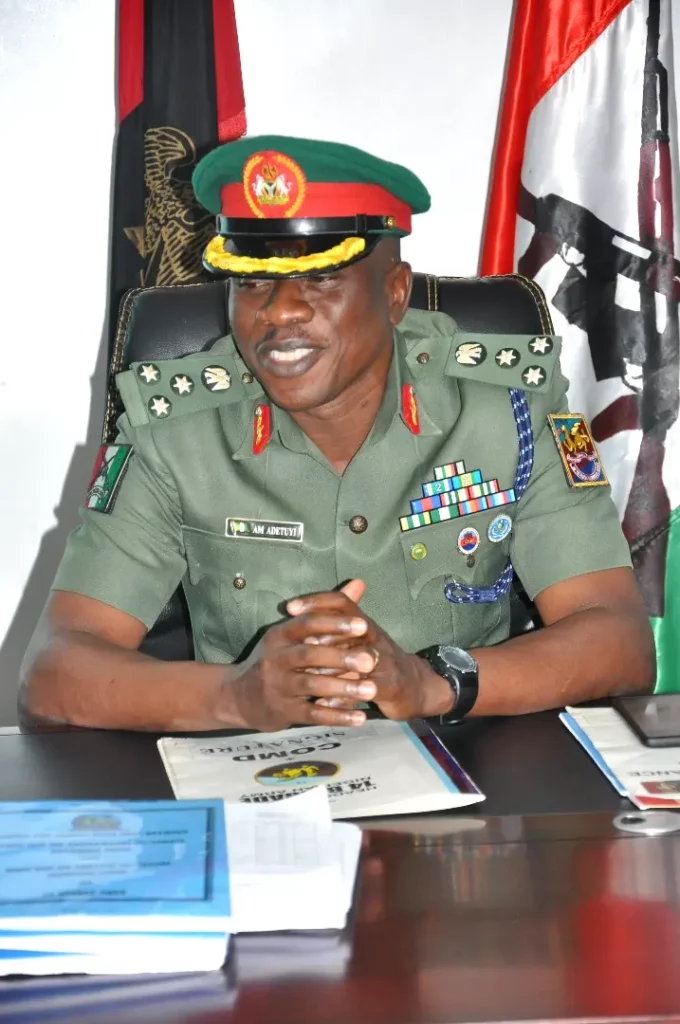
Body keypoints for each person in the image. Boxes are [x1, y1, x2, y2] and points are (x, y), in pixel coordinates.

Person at [20, 135, 655, 733]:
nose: (279, 310)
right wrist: (235, 695)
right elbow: (53, 669)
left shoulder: (508, 408)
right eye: (252, 281)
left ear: (396, 293)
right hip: (251, 771)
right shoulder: (174, 429)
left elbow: (619, 640)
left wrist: (432, 683)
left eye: (321, 277)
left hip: (464, 763)